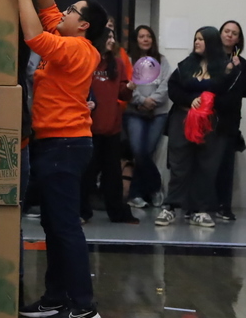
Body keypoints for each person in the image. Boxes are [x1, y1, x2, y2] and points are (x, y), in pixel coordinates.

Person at [3, 0, 108, 318]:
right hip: (54, 144)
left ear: (84, 25)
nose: (64, 12)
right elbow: (46, 7)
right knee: (53, 224)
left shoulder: (76, 49)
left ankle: (83, 306)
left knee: (64, 227)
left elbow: (32, 33)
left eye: (73, 11)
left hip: (65, 144)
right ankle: (55, 298)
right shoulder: (65, 35)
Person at [155, 27, 229, 229]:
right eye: (196, 38)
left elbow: (227, 94)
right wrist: (191, 100)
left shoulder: (224, 67)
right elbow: (174, 89)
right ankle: (170, 206)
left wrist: (207, 102)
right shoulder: (185, 65)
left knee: (206, 165)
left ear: (211, 43)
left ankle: (200, 210)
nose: (197, 42)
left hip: (210, 122)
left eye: (202, 39)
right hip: (183, 118)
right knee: (179, 164)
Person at [81, 27, 137, 224]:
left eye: (114, 36)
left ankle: (117, 211)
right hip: (89, 127)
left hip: (112, 127)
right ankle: (82, 212)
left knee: (112, 174)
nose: (112, 40)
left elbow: (122, 93)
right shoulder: (87, 59)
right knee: (86, 173)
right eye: (109, 36)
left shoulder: (119, 64)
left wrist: (129, 87)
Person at [124, 25, 172, 209]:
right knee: (139, 151)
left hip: (158, 113)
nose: (145, 39)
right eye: (141, 36)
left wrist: (153, 100)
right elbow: (127, 85)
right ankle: (156, 187)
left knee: (147, 152)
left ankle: (136, 194)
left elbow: (166, 85)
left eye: (148, 36)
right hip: (134, 112)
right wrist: (142, 101)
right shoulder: (128, 61)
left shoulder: (162, 60)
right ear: (136, 40)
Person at [211, 20, 246, 222]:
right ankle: (199, 205)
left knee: (226, 164)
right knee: (204, 162)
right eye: (226, 31)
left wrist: (238, 70)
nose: (229, 35)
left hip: (229, 121)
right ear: (220, 34)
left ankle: (224, 206)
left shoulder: (242, 63)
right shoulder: (207, 59)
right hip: (206, 117)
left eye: (234, 33)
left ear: (238, 39)